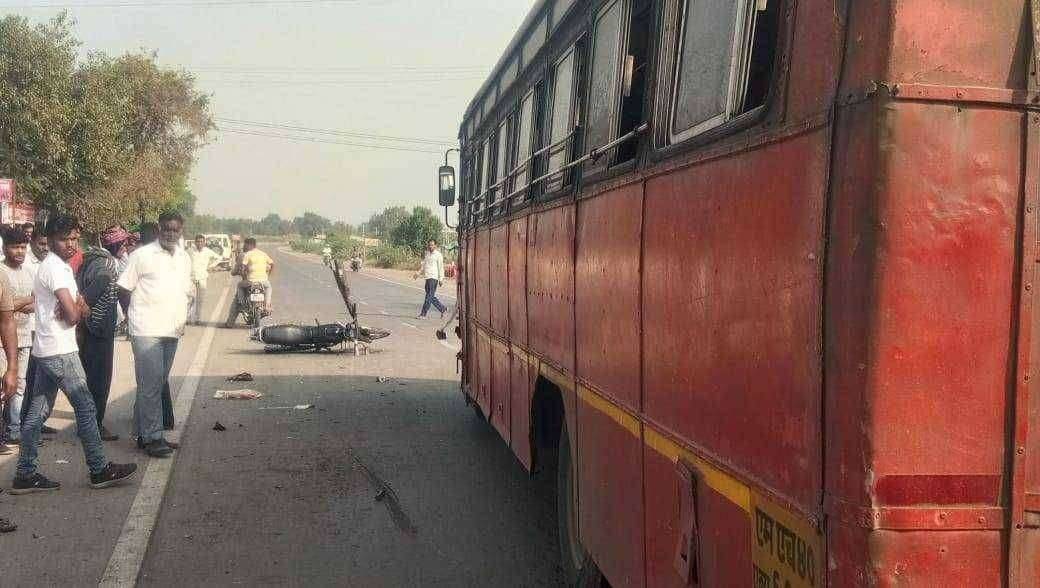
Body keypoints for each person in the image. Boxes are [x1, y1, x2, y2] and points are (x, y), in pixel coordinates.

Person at [12, 215, 137, 494]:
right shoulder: (56, 269)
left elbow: (69, 309)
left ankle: (25, 473)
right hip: (60, 349)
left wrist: (76, 306)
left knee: (37, 413)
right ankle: (98, 468)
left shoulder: (54, 267)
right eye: (63, 239)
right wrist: (78, 308)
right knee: (86, 406)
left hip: (47, 348)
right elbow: (71, 315)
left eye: (74, 238)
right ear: (50, 240)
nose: (70, 244)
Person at [117, 212, 192, 458]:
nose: (171, 233)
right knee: (150, 385)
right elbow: (123, 289)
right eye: (166, 229)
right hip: (147, 329)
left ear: (181, 231)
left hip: (171, 330)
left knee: (157, 384)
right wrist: (133, 316)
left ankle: (144, 433)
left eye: (175, 230)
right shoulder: (142, 255)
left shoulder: (183, 257)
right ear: (159, 229)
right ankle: (153, 437)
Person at [76, 226, 129, 442]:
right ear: (116, 245)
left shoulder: (89, 259)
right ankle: (94, 426)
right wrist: (85, 305)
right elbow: (100, 284)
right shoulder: (107, 264)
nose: (125, 248)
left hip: (86, 328)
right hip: (99, 328)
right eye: (123, 244)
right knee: (99, 381)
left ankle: (86, 424)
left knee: (88, 380)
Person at [0, 229, 35, 449]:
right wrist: (21, 302)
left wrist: (15, 303)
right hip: (3, 339)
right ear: (5, 248)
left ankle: (14, 430)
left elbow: (35, 303)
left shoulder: (29, 272)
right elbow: (7, 307)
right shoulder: (2, 271)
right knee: (3, 385)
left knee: (19, 385)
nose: (20, 251)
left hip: (24, 336)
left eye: (23, 247)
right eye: (15, 247)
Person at [224, 238, 273, 327]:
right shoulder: (262, 254)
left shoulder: (243, 255)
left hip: (248, 283)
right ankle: (267, 305)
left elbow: (235, 271)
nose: (243, 247)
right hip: (263, 282)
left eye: (244, 245)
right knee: (267, 289)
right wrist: (267, 274)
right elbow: (270, 266)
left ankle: (230, 323)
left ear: (249, 245)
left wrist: (237, 272)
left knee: (236, 302)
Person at [187, 234, 220, 325]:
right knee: (190, 299)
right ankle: (188, 319)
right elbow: (184, 259)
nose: (200, 243)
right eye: (198, 241)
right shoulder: (190, 251)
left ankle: (198, 319)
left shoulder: (207, 251)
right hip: (191, 278)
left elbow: (219, 258)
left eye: (201, 241)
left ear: (204, 242)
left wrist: (211, 266)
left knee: (200, 300)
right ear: (195, 242)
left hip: (202, 278)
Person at [413, 240, 446, 319]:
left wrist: (441, 279)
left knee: (428, 297)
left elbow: (441, 268)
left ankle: (423, 314)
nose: (430, 247)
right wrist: (418, 273)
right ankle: (442, 308)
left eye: (432, 245)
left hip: (434, 278)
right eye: (429, 245)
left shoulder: (438, 255)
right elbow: (423, 266)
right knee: (430, 296)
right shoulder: (427, 255)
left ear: (435, 246)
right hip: (427, 277)